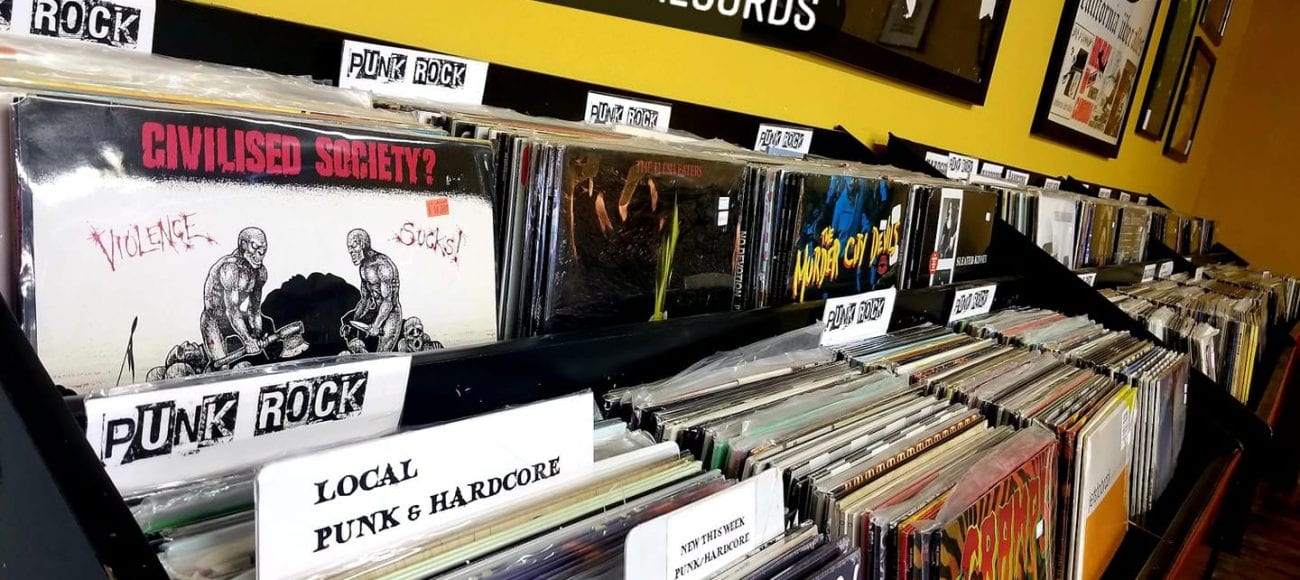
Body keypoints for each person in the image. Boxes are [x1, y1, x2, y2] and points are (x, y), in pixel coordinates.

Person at [200, 227, 269, 365]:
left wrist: (257, 334)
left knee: (262, 355)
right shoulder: (230, 268)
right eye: (255, 247)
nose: (261, 253)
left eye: (263, 248)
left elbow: (254, 309)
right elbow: (231, 309)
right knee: (221, 367)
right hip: (214, 319)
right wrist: (247, 339)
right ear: (243, 245)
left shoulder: (260, 272)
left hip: (235, 318)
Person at [346, 228, 403, 352]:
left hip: (391, 314)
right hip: (375, 311)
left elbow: (389, 301)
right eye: (349, 248)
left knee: (382, 354)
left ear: (362, 244)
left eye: (353, 246)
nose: (351, 251)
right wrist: (353, 321)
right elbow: (365, 300)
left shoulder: (383, 265)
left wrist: (376, 325)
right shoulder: (363, 268)